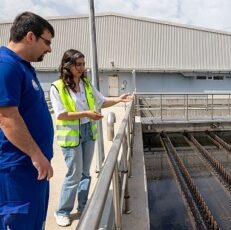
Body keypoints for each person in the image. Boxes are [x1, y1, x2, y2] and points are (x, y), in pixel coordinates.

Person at [50, 49, 133, 227]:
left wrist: (119, 99)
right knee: (74, 175)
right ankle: (62, 211)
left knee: (85, 174)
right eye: (77, 64)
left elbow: (101, 101)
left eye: (83, 64)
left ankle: (82, 206)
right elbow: (61, 115)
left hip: (88, 131)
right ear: (68, 66)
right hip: (71, 135)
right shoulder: (57, 87)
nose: (81, 68)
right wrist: (86, 113)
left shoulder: (86, 84)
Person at [0, 12, 55, 230]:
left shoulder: (22, 67)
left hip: (33, 167)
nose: (49, 49)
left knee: (34, 222)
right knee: (20, 223)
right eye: (47, 42)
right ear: (30, 37)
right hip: (19, 169)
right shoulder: (6, 66)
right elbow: (7, 119)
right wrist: (35, 154)